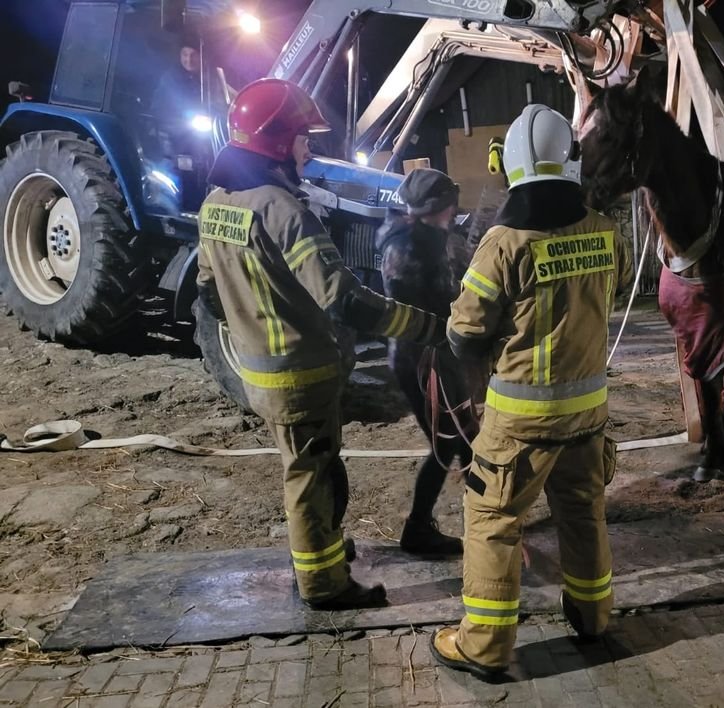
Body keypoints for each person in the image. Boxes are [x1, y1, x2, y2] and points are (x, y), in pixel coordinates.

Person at [195, 78, 448, 610]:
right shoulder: (283, 210)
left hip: (261, 372)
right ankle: (323, 583)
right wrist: (431, 328)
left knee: (308, 467)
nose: (309, 148)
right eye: (302, 138)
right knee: (313, 476)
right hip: (301, 375)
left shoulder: (216, 204)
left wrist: (257, 326)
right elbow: (345, 299)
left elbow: (207, 289)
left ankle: (322, 549)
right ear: (276, 141)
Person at [429, 104, 634, 679]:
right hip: (588, 413)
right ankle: (593, 617)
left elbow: (465, 332)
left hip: (520, 420)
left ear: (509, 165)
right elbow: (611, 293)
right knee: (583, 511)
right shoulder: (605, 231)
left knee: (492, 517)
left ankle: (485, 646)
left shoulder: (502, 244)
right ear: (570, 161)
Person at [376, 168, 480, 558]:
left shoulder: (427, 238)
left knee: (464, 438)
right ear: (441, 206)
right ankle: (419, 528)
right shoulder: (407, 245)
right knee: (451, 442)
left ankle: (486, 519)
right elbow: (420, 297)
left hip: (436, 357)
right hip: (421, 361)